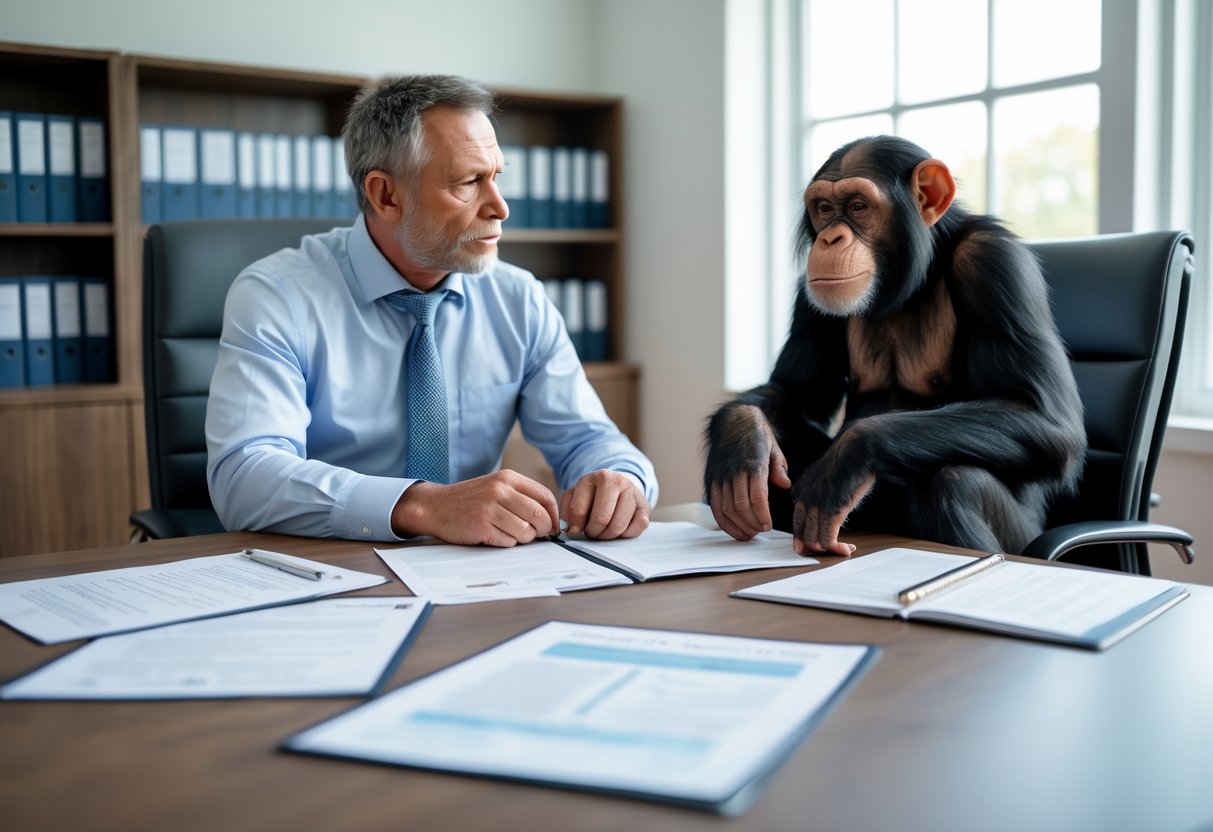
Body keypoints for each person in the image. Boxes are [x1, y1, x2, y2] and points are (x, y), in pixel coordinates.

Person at [206, 74, 657, 547]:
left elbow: (588, 439)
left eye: (496, 177)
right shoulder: (277, 296)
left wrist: (622, 481)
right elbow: (244, 477)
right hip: (331, 570)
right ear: (386, 195)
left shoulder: (517, 299)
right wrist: (424, 506)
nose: (500, 208)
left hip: (478, 577)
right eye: (469, 182)